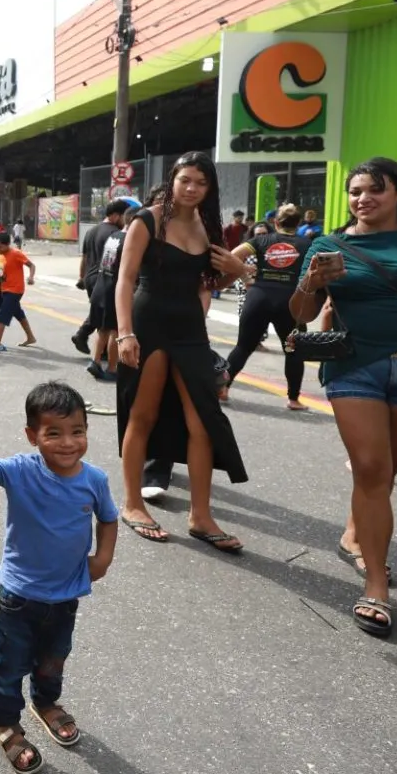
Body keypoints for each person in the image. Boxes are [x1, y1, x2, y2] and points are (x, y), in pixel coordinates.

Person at [289, 157, 397, 638]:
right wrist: (311, 282)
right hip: (353, 366)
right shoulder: (328, 243)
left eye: (374, 190)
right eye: (355, 191)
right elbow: (299, 313)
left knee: (383, 475)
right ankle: (376, 585)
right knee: (371, 469)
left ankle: (354, 531)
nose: (362, 199)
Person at [0, 381, 117, 771]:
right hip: (19, 595)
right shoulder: (21, 471)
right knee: (9, 663)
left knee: (54, 658)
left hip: (66, 595)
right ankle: (6, 723)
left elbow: (109, 518)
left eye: (77, 431)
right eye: (53, 433)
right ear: (32, 436)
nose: (68, 443)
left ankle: (46, 702)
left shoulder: (94, 480)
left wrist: (103, 558)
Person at [114, 152, 248, 547]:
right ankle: (133, 502)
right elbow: (125, 279)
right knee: (144, 413)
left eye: (200, 183)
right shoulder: (149, 219)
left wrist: (236, 272)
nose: (191, 189)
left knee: (203, 421)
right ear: (172, 180)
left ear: (210, 189)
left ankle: (201, 516)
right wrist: (124, 333)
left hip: (190, 329)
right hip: (148, 322)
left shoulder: (209, 227)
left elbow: (207, 284)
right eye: (185, 180)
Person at [226, 203, 312, 411]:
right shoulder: (307, 244)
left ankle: (222, 388)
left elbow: (231, 256)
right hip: (290, 301)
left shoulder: (261, 240)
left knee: (243, 346)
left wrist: (246, 273)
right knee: (292, 350)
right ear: (299, 223)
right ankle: (293, 399)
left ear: (275, 222)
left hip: (259, 296)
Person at [73, 201, 129, 357]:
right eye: (124, 216)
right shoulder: (115, 234)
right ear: (116, 215)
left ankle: (91, 342)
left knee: (99, 313)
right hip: (104, 277)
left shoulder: (91, 231)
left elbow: (84, 257)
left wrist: (81, 277)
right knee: (106, 316)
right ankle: (89, 340)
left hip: (90, 278)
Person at [88, 203, 135, 383]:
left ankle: (95, 360)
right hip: (114, 290)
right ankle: (113, 368)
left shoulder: (113, 236)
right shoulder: (129, 241)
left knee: (103, 329)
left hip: (101, 286)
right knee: (116, 330)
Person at [0, 233, 37, 354]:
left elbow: (31, 265)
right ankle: (31, 337)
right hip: (5, 289)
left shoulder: (16, 253)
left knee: (2, 316)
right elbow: (3, 272)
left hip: (15, 290)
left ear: (7, 244)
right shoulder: (0, 255)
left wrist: (31, 277)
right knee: (18, 313)